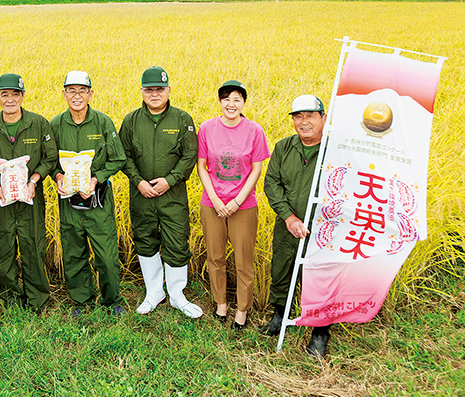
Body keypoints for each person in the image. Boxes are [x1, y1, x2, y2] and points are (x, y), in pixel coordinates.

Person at [119, 66, 203, 318]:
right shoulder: (131, 120)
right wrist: (138, 182)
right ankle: (154, 292)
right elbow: (124, 155)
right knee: (145, 240)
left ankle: (177, 295)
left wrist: (170, 180)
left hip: (172, 196)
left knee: (177, 242)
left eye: (160, 89)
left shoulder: (181, 119)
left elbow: (190, 155)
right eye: (149, 89)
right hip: (141, 195)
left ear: (168, 90)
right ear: (142, 91)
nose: (154, 94)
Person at [50, 71, 127, 316]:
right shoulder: (56, 124)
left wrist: (96, 178)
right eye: (71, 90)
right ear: (63, 94)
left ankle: (111, 299)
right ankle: (81, 300)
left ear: (91, 94)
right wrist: (58, 176)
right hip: (68, 202)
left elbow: (118, 158)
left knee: (106, 254)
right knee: (74, 252)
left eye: (82, 90)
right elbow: (49, 160)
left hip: (98, 201)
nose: (77, 96)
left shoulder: (103, 122)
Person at [0, 73, 58, 312]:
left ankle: (38, 299)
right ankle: (10, 299)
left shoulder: (38, 123)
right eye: (5, 95)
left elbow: (50, 157)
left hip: (30, 198)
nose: (10, 99)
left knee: (33, 246)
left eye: (15, 94)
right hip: (3, 199)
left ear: (23, 96)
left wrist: (33, 181)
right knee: (4, 248)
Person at [262, 94, 331, 358]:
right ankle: (279, 315)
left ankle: (320, 331)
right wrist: (289, 218)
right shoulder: (284, 147)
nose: (304, 122)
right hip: (287, 225)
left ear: (323, 118)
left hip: (321, 230)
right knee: (281, 268)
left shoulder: (334, 151)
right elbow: (272, 183)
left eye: (310, 116)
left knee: (319, 278)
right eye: (298, 116)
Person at [197, 80, 269, 330]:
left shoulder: (254, 131)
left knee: (243, 260)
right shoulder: (207, 128)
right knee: (215, 257)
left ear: (244, 103)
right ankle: (220, 304)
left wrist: (237, 201)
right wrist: (216, 200)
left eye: (236, 99)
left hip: (244, 205)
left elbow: (257, 169)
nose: (231, 104)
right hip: (212, 203)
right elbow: (202, 166)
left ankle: (242, 309)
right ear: (219, 102)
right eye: (226, 98)